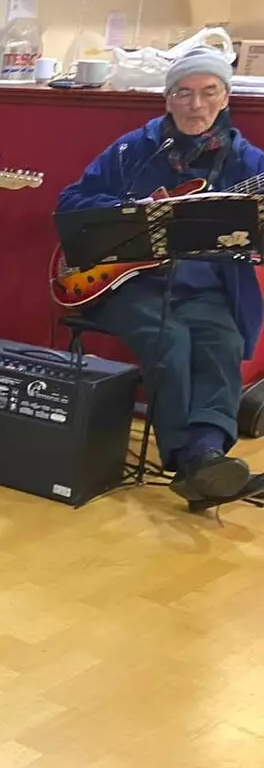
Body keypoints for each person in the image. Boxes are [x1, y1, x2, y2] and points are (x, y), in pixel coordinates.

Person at [57, 47, 264, 508]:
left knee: (221, 344)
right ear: (167, 100)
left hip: (208, 286)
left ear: (225, 97)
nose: (196, 105)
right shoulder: (134, 150)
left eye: (208, 93)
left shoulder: (250, 164)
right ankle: (192, 463)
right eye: (184, 93)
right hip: (130, 283)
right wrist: (130, 215)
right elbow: (71, 203)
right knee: (170, 342)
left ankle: (207, 454)